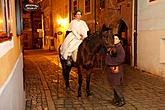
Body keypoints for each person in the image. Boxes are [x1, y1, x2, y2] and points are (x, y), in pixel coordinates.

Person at [106, 34, 126, 107]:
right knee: (113, 84)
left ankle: (122, 100)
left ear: (119, 40)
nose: (115, 40)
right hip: (111, 69)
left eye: (116, 39)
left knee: (116, 84)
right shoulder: (113, 47)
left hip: (116, 69)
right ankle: (116, 99)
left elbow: (121, 59)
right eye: (113, 39)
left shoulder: (120, 48)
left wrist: (110, 63)